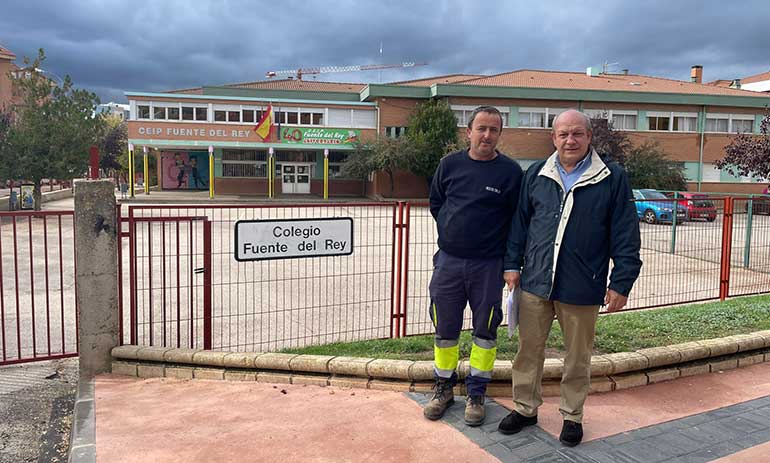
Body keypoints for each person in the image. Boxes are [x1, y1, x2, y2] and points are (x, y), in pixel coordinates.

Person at [497, 109, 642, 446]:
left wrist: (622, 282)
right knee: (527, 351)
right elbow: (520, 223)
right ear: (554, 138)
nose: (570, 140)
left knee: (577, 357)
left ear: (589, 137)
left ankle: (572, 416)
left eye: (577, 134)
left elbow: (624, 232)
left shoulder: (611, 177)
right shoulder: (536, 173)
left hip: (583, 283)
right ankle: (525, 408)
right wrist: (512, 264)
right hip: (535, 280)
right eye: (563, 134)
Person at [424, 106, 524, 426]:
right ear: (468, 132)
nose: (487, 135)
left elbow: (516, 223)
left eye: (494, 130)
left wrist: (511, 264)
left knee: (485, 331)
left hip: (489, 266)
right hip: (449, 263)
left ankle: (477, 392)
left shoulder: (510, 173)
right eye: (481, 128)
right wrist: (454, 232)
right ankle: (443, 387)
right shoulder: (449, 165)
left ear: (500, 135)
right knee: (445, 329)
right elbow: (437, 203)